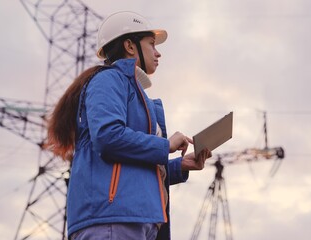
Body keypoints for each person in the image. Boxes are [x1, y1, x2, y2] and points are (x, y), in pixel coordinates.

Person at [45, 11, 212, 240]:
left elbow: (133, 169)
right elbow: (108, 137)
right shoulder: (108, 80)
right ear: (130, 46)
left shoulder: (135, 94)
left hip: (135, 221)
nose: (158, 52)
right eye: (151, 44)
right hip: (111, 220)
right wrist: (164, 145)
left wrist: (179, 166)